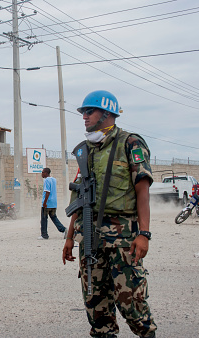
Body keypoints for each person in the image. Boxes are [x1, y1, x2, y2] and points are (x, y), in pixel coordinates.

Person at [62, 90, 157, 338]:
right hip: (90, 237)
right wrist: (70, 237)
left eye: (88, 111)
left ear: (106, 113)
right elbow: (80, 196)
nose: (84, 116)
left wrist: (144, 233)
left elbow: (142, 189)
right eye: (83, 112)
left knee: (131, 302)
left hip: (122, 236)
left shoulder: (130, 143)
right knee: (95, 304)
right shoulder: (85, 150)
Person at [38, 167, 67, 240]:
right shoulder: (54, 180)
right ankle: (63, 229)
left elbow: (47, 192)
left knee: (44, 219)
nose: (41, 174)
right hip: (54, 203)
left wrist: (45, 202)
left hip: (47, 203)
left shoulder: (47, 180)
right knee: (54, 218)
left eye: (42, 172)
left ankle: (44, 235)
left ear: (46, 173)